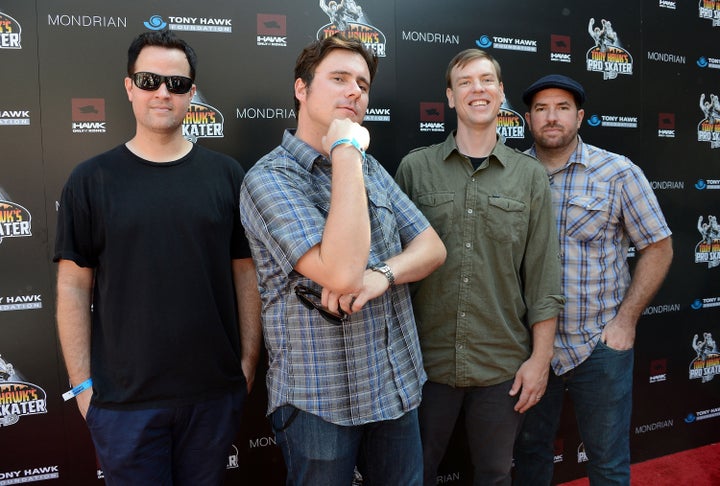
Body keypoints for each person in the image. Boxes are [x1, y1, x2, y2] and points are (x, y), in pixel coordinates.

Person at [54, 30, 262, 485]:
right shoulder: (91, 180)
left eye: (178, 83)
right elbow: (72, 286)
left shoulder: (227, 176)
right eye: (148, 80)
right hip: (123, 405)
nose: (162, 92)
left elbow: (246, 275)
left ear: (192, 92)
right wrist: (84, 387)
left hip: (212, 398)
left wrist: (246, 364)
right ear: (129, 87)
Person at [239, 34, 446, 485]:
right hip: (321, 400)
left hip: (395, 386)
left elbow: (432, 248)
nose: (355, 91)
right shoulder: (269, 179)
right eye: (338, 78)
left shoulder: (371, 169)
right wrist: (346, 148)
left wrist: (384, 276)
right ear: (301, 88)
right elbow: (341, 273)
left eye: (363, 83)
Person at [394, 49, 565, 486]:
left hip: (501, 365)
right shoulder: (415, 168)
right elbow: (391, 264)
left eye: (487, 80)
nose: (478, 89)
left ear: (501, 93)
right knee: (412, 474)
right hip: (423, 362)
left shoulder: (529, 177)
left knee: (493, 476)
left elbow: (543, 276)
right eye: (465, 82)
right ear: (450, 97)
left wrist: (540, 360)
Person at [513, 74, 673, 485]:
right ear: (527, 119)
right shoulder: (510, 173)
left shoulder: (618, 172)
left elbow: (658, 246)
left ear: (580, 117)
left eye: (563, 108)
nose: (552, 118)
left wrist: (625, 322)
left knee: (608, 462)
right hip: (528, 349)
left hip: (599, 346)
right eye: (542, 109)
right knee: (530, 458)